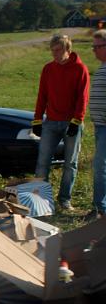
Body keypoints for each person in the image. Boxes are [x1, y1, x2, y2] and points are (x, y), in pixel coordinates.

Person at [31, 34, 90, 211]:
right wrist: (37, 119)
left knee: (70, 163)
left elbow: (83, 98)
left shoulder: (80, 69)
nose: (54, 54)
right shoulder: (48, 69)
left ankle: (64, 200)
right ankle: (41, 200)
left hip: (71, 123)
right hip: (51, 122)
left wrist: (76, 121)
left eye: (58, 50)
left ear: (67, 50)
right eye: (52, 51)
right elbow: (42, 95)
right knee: (42, 162)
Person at [89, 29, 106, 220]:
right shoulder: (102, 67)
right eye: (93, 47)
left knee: (100, 166)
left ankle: (100, 209)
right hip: (100, 126)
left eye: (97, 47)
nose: (94, 50)